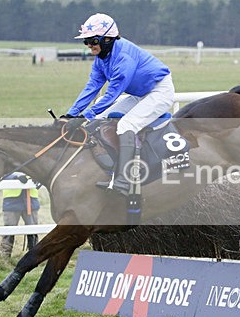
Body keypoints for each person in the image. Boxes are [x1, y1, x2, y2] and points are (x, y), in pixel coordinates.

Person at [62, 13, 175, 195]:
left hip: (159, 92)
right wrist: (71, 114)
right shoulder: (101, 58)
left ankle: (124, 179)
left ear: (107, 39)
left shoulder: (123, 57)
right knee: (100, 118)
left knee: (126, 125)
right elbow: (92, 87)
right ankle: (107, 170)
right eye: (86, 42)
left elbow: (112, 94)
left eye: (92, 41)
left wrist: (84, 116)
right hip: (140, 94)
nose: (89, 45)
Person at [0, 173, 40, 257]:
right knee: (9, 230)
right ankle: (5, 257)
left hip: (30, 200)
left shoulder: (34, 159)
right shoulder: (8, 160)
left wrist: (35, 176)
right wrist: (15, 177)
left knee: (33, 230)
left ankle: (34, 256)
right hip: (11, 201)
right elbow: (2, 174)